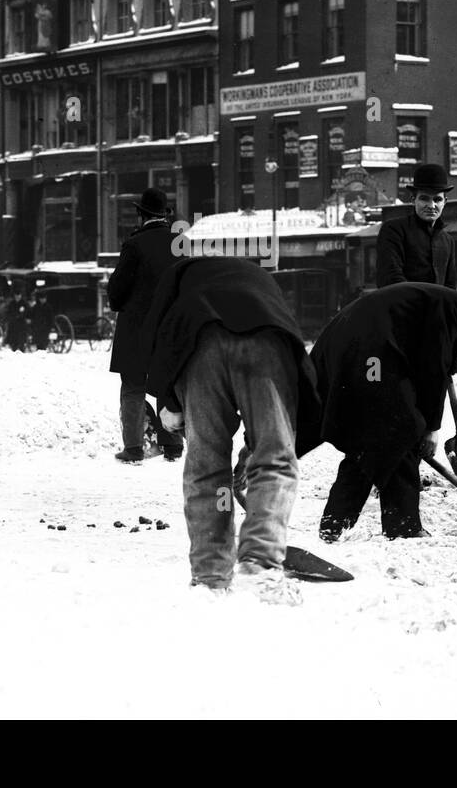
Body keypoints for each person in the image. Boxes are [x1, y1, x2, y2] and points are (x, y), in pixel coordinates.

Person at [142, 256, 323, 598]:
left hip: (200, 347)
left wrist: (168, 398)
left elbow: (156, 328)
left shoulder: (178, 277)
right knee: (274, 459)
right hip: (265, 342)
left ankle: (210, 579)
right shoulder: (258, 280)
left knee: (207, 470)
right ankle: (260, 559)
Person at [312, 278, 457, 542]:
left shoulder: (438, 302)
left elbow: (424, 359)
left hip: (355, 352)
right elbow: (433, 369)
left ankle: (335, 524)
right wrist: (430, 428)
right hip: (371, 357)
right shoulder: (450, 306)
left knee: (372, 442)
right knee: (403, 429)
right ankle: (402, 527)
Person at [106, 187, 184, 463]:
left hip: (138, 330)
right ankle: (172, 444)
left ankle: (134, 447)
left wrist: (116, 301)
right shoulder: (180, 243)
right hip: (169, 329)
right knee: (167, 384)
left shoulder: (135, 245)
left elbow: (118, 288)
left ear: (141, 215)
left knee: (133, 387)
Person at [376, 163, 457, 288]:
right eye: (424, 199)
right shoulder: (394, 230)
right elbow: (390, 278)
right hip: (403, 305)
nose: (431, 206)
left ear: (445, 202)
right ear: (413, 200)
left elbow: (450, 285)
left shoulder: (447, 240)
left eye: (437, 200)